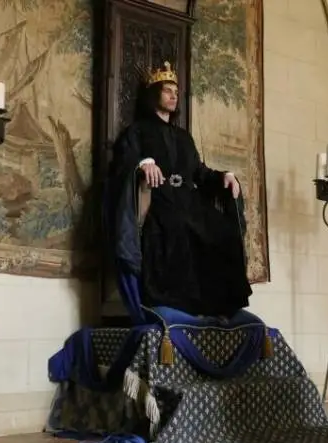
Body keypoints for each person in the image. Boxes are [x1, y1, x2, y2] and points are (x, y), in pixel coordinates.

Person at [106, 61, 252, 319]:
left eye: (176, 91)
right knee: (175, 226)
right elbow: (123, 162)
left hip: (187, 199)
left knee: (221, 229)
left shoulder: (184, 137)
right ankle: (172, 303)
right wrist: (143, 164)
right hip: (158, 199)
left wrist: (224, 176)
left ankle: (219, 304)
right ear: (154, 95)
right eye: (167, 90)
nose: (174, 95)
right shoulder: (137, 131)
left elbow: (200, 173)